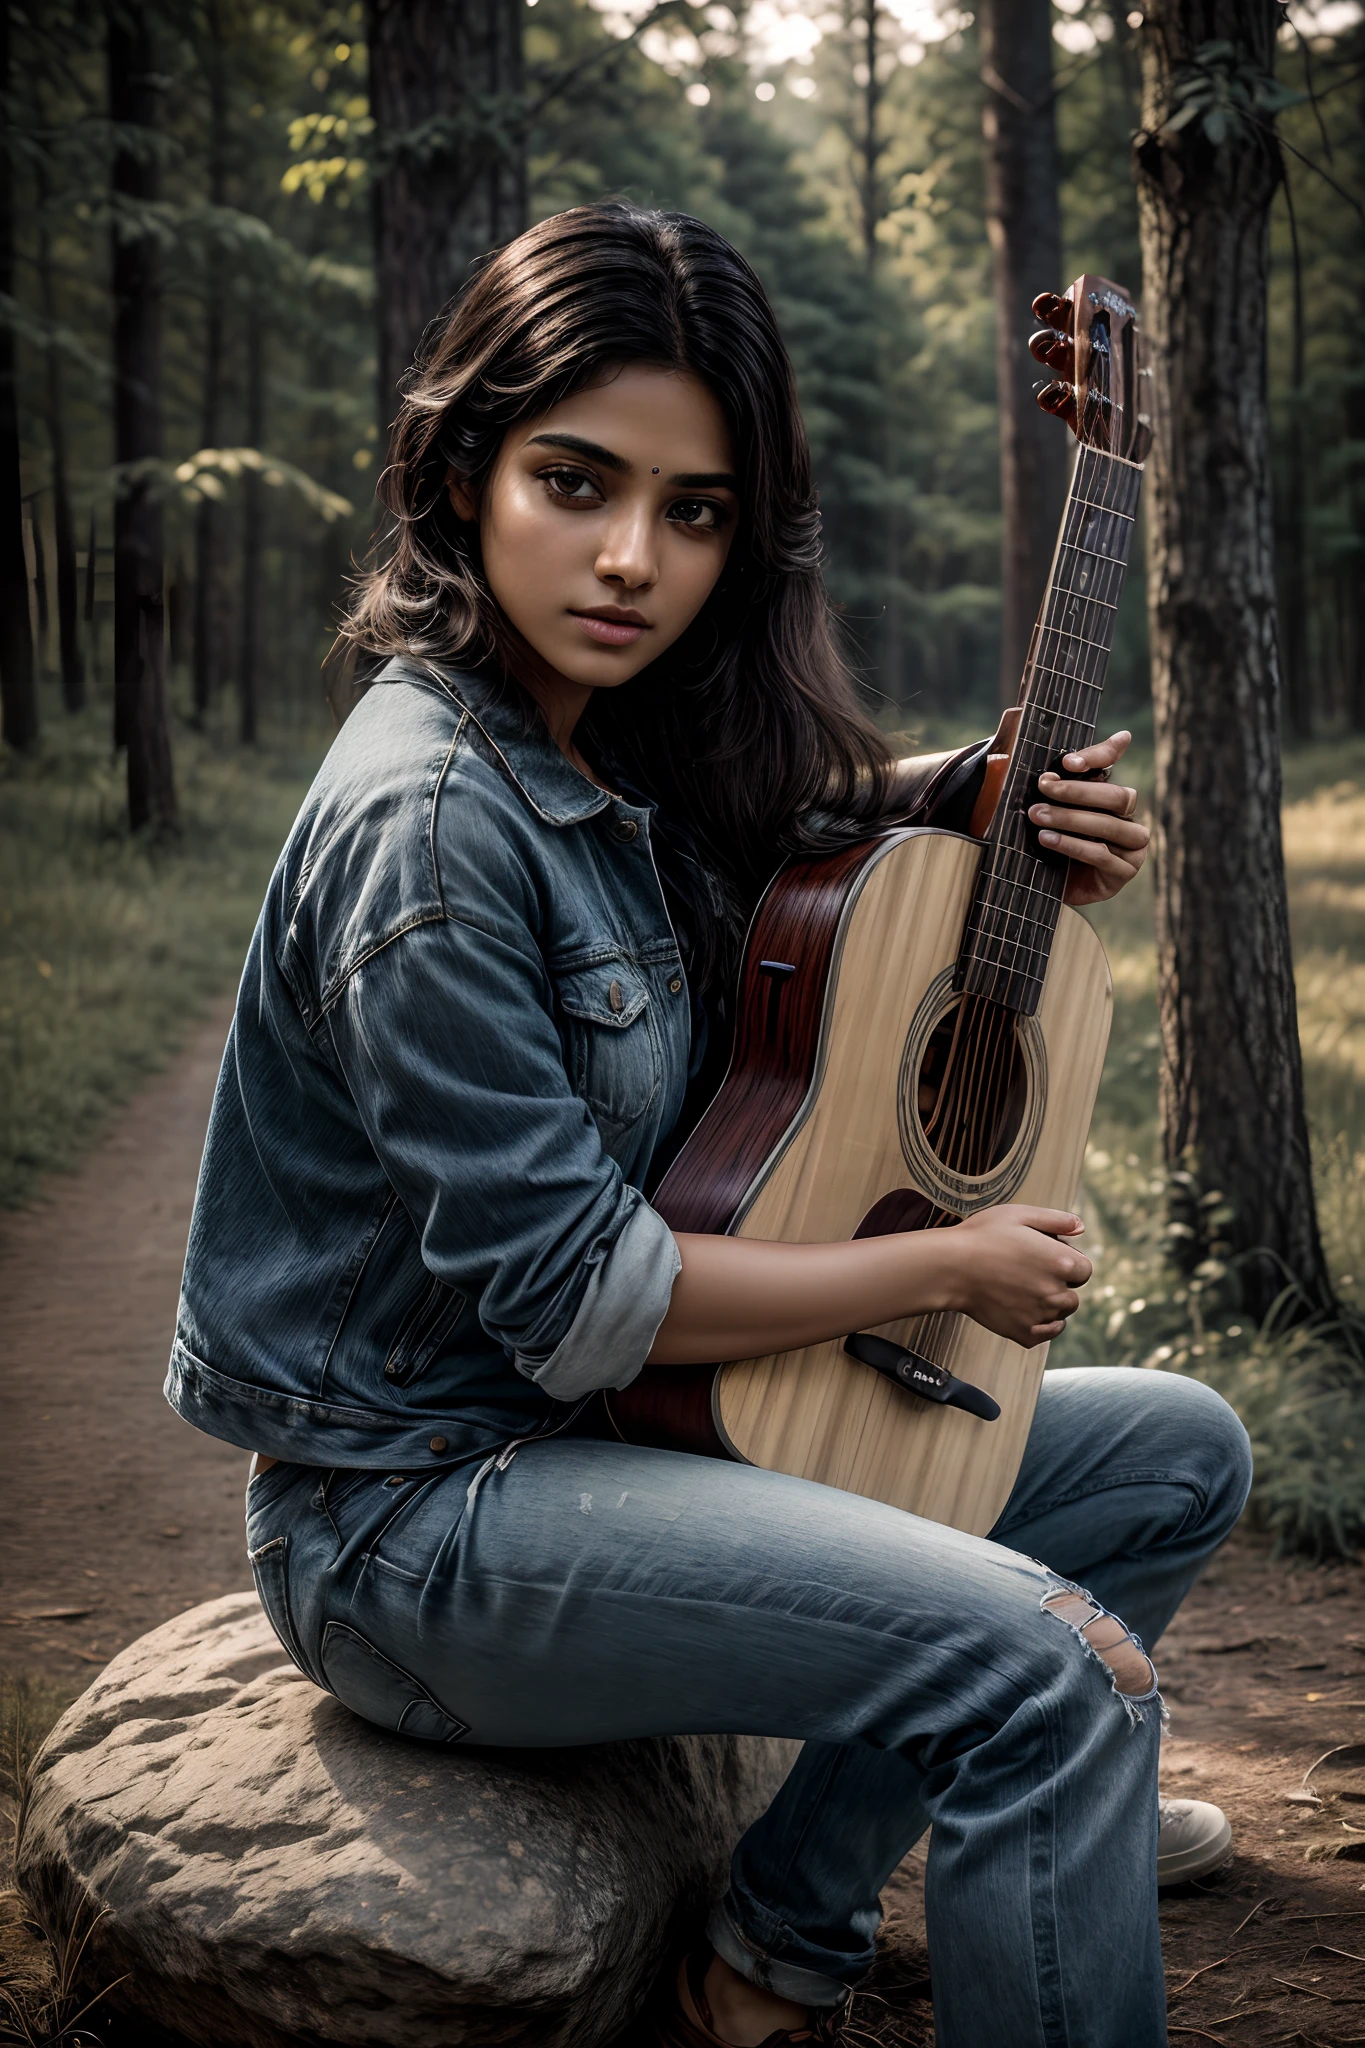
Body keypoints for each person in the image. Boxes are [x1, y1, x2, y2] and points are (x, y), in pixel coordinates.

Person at [167, 203, 1251, 2048]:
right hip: (423, 1522)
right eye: (575, 482)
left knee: (1177, 1454)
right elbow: (582, 1306)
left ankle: (772, 1939)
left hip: (637, 1444)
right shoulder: (429, 828)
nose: (631, 558)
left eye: (696, 511)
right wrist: (944, 1262)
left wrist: (990, 794)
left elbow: (781, 812)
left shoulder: (607, 731)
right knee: (1043, 1672)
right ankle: (905, 1899)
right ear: (458, 473)